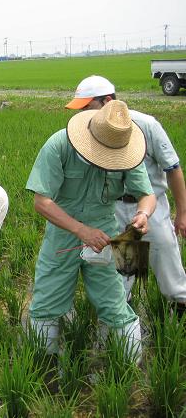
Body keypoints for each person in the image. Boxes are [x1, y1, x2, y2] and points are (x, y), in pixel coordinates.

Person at [26, 100, 156, 361]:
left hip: (107, 236)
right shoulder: (59, 144)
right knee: (46, 303)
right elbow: (41, 203)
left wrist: (143, 214)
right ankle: (43, 368)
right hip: (63, 235)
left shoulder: (126, 150)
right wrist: (81, 230)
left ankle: (130, 370)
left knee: (116, 304)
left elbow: (147, 195)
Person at [66, 75, 186, 316]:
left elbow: (173, 169)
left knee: (171, 275)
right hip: (116, 209)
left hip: (154, 208)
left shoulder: (146, 125)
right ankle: (126, 335)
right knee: (124, 278)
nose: (83, 116)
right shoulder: (90, 132)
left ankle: (178, 325)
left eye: (88, 108)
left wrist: (182, 213)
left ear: (108, 101)